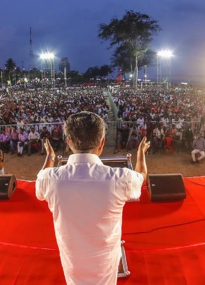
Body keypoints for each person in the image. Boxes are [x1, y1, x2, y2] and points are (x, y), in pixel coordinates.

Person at [35, 111, 150, 284]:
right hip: (106, 267)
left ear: (68, 143)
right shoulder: (119, 179)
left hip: (72, 266)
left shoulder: (50, 179)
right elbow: (141, 176)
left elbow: (41, 179)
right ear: (102, 143)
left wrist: (50, 156)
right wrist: (141, 153)